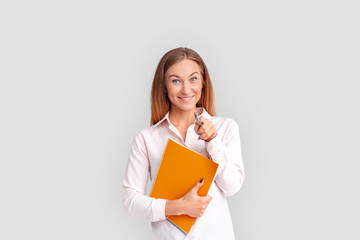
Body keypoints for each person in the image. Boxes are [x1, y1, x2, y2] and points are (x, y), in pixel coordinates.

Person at [122, 47, 245, 240]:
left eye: (193, 78)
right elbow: (130, 202)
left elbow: (232, 186)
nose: (186, 89)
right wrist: (178, 207)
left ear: (203, 82)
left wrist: (213, 141)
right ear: (164, 85)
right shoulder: (146, 139)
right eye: (176, 81)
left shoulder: (225, 128)